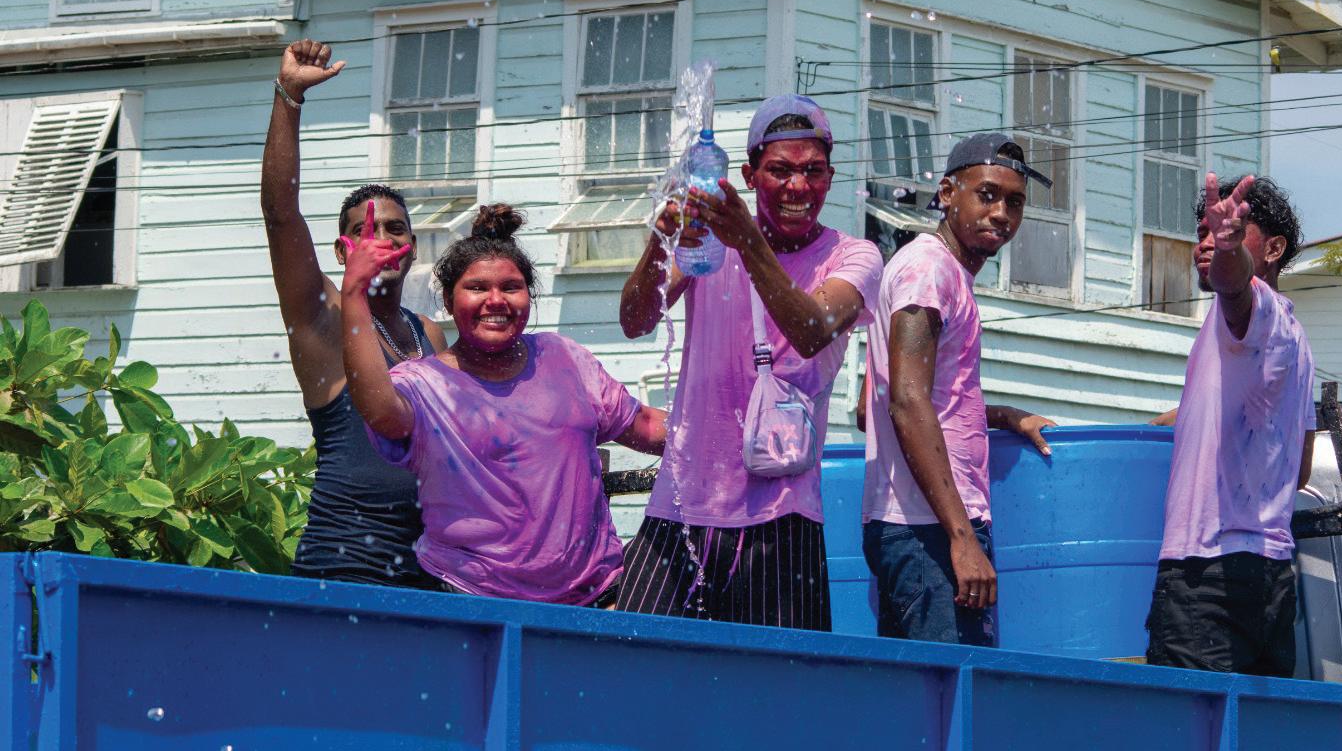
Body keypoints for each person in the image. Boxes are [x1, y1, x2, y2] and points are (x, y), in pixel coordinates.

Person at [612, 95, 882, 630]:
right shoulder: (709, 244)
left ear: (831, 178)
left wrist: (748, 241)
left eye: (814, 171)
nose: (798, 187)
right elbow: (635, 321)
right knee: (635, 664)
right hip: (681, 504)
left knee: (776, 680)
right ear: (749, 177)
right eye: (780, 171)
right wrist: (660, 243)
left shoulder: (855, 256)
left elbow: (812, 330)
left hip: (782, 513)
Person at [340, 203, 667, 603]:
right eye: (477, 288)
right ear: (448, 299)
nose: (496, 300)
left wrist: (727, 440)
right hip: (473, 603)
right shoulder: (424, 385)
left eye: (511, 287)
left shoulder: (563, 358)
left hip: (596, 600)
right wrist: (354, 292)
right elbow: (380, 411)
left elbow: (646, 425)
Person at [261, 39, 446, 587]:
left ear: (412, 248)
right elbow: (280, 214)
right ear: (342, 252)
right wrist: (289, 96)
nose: (381, 238)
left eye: (394, 229)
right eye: (364, 230)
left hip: (426, 575)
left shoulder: (429, 334)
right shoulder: (323, 318)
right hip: (343, 569)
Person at [860, 133, 1058, 646]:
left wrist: (1000, 415)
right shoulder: (929, 270)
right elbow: (906, 400)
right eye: (987, 195)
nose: (1001, 214)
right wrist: (962, 537)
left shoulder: (931, 270)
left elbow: (871, 406)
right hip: (930, 531)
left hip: (913, 528)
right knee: (954, 689)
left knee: (922, 691)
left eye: (1015, 202)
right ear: (948, 193)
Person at [1145, 173, 1315, 676]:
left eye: (1228, 233)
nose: (1206, 242)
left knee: (1187, 724)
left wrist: (1228, 251)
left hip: (1208, 574)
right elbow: (1299, 466)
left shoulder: (1254, 307)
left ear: (1273, 249)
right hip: (1271, 579)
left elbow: (1234, 284)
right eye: (1202, 233)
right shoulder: (1296, 337)